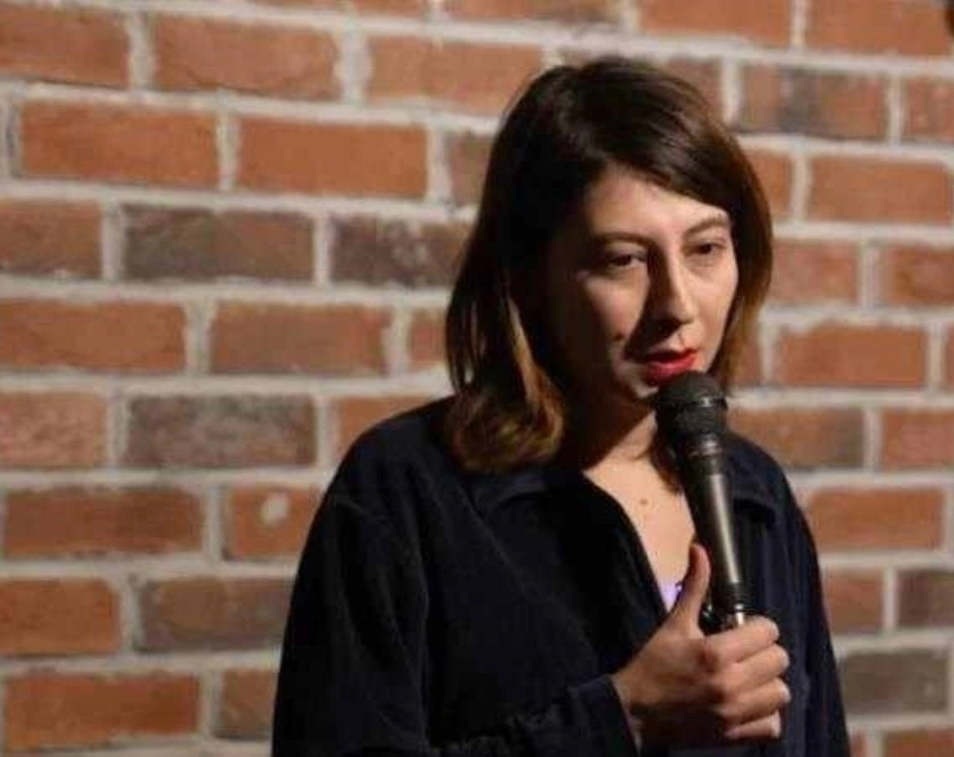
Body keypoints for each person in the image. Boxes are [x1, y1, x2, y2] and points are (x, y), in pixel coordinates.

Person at [272, 56, 851, 757]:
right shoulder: (407, 489)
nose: (677, 304)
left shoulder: (755, 493)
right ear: (529, 276)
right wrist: (623, 719)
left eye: (705, 248)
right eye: (622, 259)